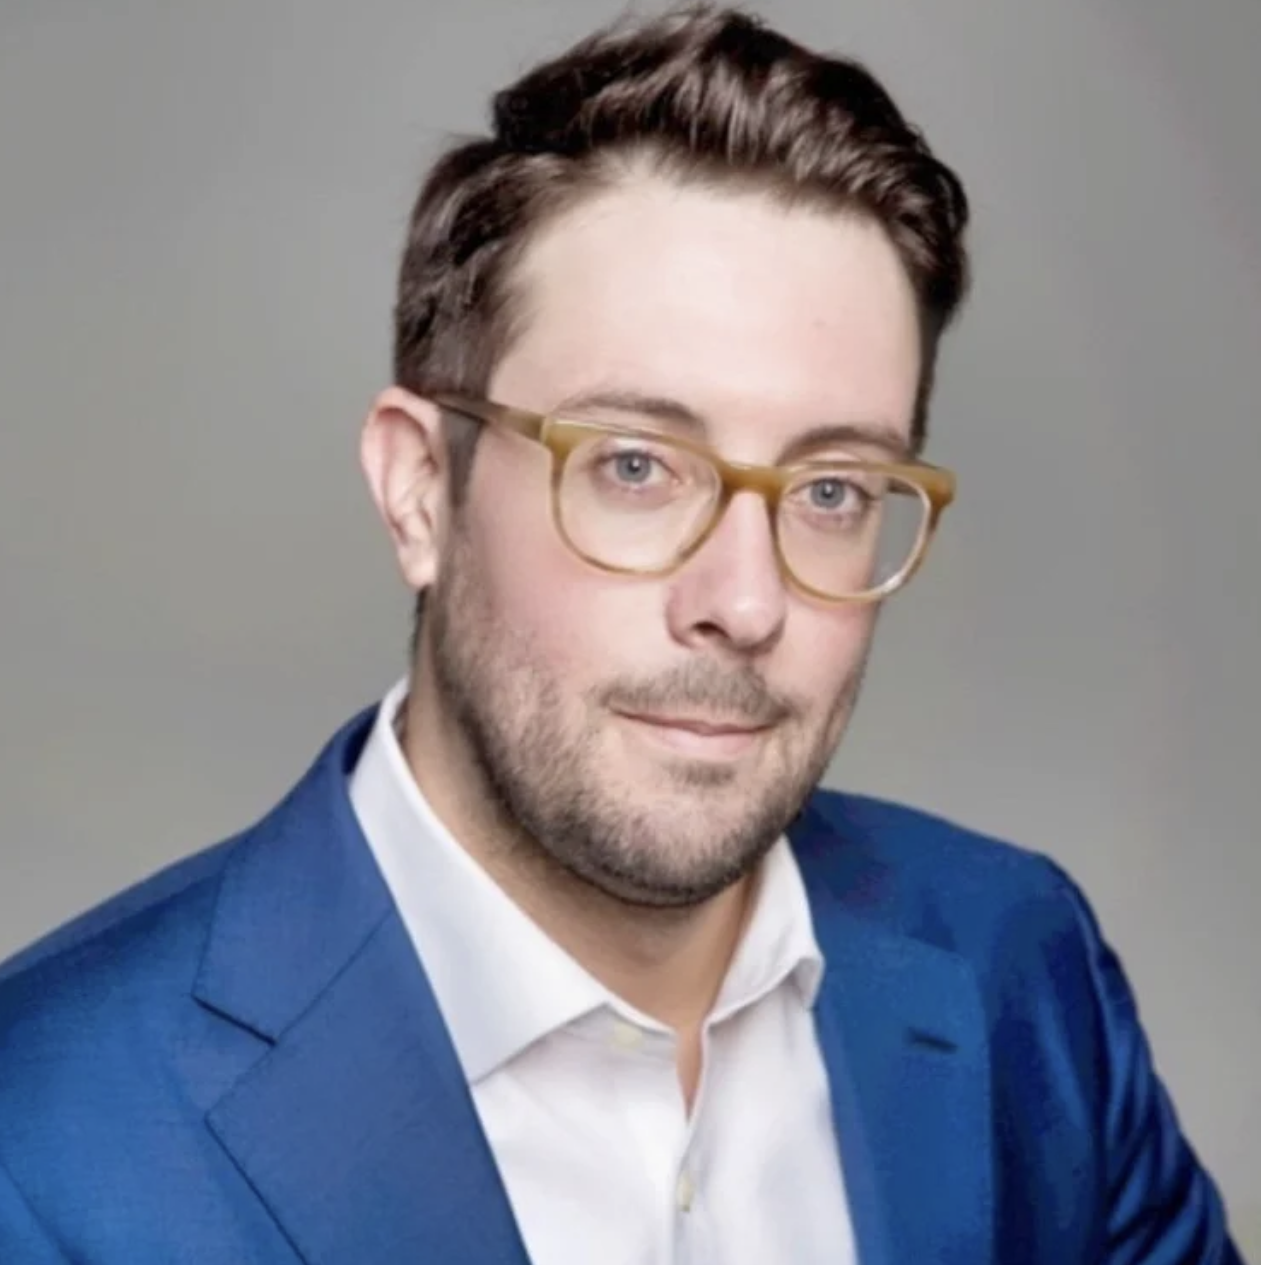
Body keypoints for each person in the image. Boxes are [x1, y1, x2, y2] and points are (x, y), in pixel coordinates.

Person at [0, 5, 1243, 1263]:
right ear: (420, 491)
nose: (744, 604)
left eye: (831, 488)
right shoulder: (41, 1141)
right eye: (635, 464)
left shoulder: (1020, 965)